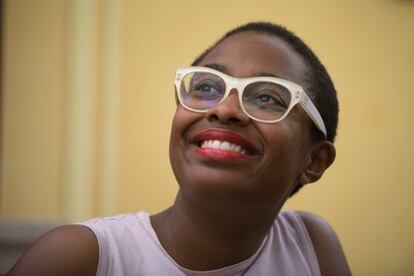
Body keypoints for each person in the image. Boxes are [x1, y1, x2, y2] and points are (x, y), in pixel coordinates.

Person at [8, 22, 351, 275]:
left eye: (266, 97)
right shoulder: (80, 257)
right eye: (206, 86)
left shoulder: (311, 246)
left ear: (314, 160)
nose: (224, 109)